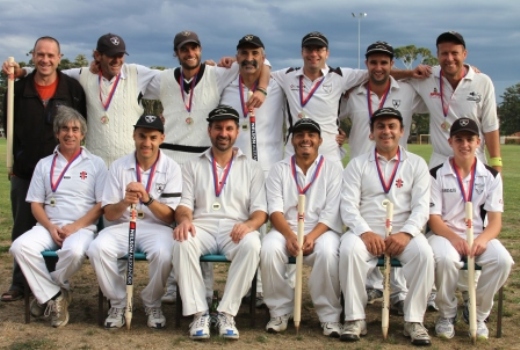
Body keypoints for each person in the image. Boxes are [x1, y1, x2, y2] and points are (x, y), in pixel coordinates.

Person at [144, 30, 269, 304]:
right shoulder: (164, 78)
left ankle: (208, 290)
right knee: (177, 222)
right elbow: (132, 84)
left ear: (200, 50)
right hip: (171, 157)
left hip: (202, 156)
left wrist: (260, 88)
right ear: (177, 53)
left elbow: (259, 63)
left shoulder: (217, 74)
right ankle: (175, 283)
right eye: (184, 50)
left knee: (203, 217)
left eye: (194, 48)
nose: (190, 54)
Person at [408, 30, 501, 308]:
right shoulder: (427, 78)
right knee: (434, 225)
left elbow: (491, 125)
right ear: (437, 55)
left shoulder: (482, 81)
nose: (449, 58)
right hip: (438, 162)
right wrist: (411, 70)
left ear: (465, 54)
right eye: (444, 53)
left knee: (471, 224)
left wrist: (495, 164)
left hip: (474, 160)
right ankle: (437, 288)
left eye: (454, 53)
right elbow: (388, 76)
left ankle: (467, 290)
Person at [339, 41, 428, 313]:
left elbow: (437, 85)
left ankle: (400, 292)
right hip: (362, 165)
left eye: (384, 63)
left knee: (399, 222)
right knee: (364, 225)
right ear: (366, 65)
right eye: (373, 62)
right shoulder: (353, 94)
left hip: (398, 166)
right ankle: (368, 290)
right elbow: (330, 114)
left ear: (392, 65)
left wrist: (466, 68)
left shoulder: (409, 91)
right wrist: (336, 134)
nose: (379, 67)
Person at [1, 37, 86, 302]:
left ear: (59, 58)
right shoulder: (19, 87)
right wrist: (15, 160)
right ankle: (19, 283)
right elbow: (8, 124)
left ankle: (53, 279)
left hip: (62, 172)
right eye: (40, 55)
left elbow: (82, 125)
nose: (45, 60)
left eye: (51, 55)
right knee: (23, 227)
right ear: (33, 56)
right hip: (26, 170)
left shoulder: (71, 88)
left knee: (56, 227)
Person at [339, 107, 434, 346]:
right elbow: (348, 206)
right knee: (349, 250)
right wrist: (364, 232)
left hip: (404, 232)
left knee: (424, 254)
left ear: (402, 131)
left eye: (392, 126)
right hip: (366, 232)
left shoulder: (417, 164)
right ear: (371, 133)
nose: (386, 131)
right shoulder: (358, 164)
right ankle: (355, 318)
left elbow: (422, 207)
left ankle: (414, 320)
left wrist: (407, 233)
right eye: (380, 126)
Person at [172, 105, 267, 340]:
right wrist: (184, 220)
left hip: (235, 227)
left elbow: (260, 211)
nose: (223, 133)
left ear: (236, 132)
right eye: (218, 128)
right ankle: (199, 313)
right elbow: (184, 205)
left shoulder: (252, 167)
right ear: (209, 130)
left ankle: (226, 313)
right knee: (182, 241)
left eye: (228, 128)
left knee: (252, 245)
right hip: (201, 225)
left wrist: (249, 225)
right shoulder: (192, 165)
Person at [10, 106, 105, 327]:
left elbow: (101, 205)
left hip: (81, 227)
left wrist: (74, 227)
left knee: (74, 251)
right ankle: (55, 296)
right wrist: (50, 226)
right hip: (47, 226)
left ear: (83, 134)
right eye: (64, 128)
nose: (69, 133)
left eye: (75, 129)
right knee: (19, 247)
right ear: (56, 132)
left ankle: (51, 288)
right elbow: (35, 203)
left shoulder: (96, 164)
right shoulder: (44, 164)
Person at [270, 31, 428, 164]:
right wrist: (261, 90)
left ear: (327, 53)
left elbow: (377, 72)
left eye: (319, 49)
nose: (314, 54)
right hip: (294, 152)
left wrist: (409, 73)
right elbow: (261, 73)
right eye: (309, 49)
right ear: (302, 52)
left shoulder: (340, 76)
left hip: (329, 156)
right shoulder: (287, 75)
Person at [87, 114, 182, 329]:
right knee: (97, 249)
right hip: (122, 225)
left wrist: (147, 199)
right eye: (141, 136)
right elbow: (109, 214)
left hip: (158, 228)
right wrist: (124, 202)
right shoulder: (119, 166)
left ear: (162, 138)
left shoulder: (172, 168)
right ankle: (119, 302)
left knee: (164, 253)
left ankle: (152, 301)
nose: (146, 143)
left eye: (152, 137)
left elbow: (170, 216)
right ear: (133, 135)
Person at [8, 33, 157, 165]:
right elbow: (50, 72)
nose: (117, 60)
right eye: (112, 55)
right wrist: (23, 71)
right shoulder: (83, 75)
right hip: (94, 165)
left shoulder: (137, 73)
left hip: (129, 165)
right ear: (98, 55)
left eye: (120, 55)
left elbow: (170, 80)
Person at [428, 118, 513, 340]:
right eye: (459, 139)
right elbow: (434, 219)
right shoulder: (435, 174)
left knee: (502, 260)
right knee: (445, 259)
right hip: (444, 235)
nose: (464, 144)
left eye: (469, 139)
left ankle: (477, 313)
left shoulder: (491, 176)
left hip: (478, 235)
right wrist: (454, 239)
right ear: (450, 142)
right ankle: (447, 313)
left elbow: (495, 221)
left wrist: (483, 240)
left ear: (479, 142)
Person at [261, 118, 343, 337]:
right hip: (285, 229)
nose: (305, 139)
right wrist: (289, 236)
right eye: (300, 135)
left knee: (327, 252)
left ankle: (329, 316)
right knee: (269, 250)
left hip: (322, 230)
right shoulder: (278, 169)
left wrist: (312, 236)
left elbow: (332, 211)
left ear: (319, 140)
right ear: (292, 140)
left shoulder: (333, 170)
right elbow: (274, 210)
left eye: (311, 135)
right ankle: (279, 311)